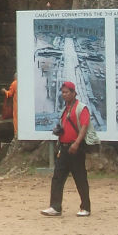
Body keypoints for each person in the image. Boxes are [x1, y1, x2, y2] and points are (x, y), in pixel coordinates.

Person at [41, 80, 91, 218]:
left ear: (74, 93)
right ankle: (55, 206)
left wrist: (77, 143)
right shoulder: (65, 109)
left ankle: (85, 207)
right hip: (63, 148)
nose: (64, 95)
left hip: (76, 148)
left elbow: (84, 126)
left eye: (66, 92)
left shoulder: (81, 108)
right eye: (62, 92)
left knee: (80, 177)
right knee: (57, 177)